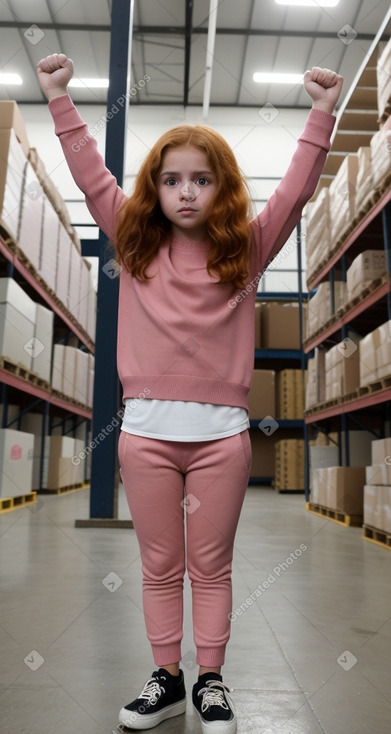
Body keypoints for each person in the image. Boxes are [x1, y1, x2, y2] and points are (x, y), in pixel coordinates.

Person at [37, 53, 343, 733]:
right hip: (145, 435)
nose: (184, 192)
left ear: (222, 188)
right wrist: (58, 97)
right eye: (171, 180)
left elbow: (292, 194)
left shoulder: (247, 249)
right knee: (157, 565)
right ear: (153, 189)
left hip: (220, 440)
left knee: (210, 566)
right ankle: (165, 679)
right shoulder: (134, 241)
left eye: (200, 180)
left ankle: (210, 681)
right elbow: (92, 177)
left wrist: (320, 115)